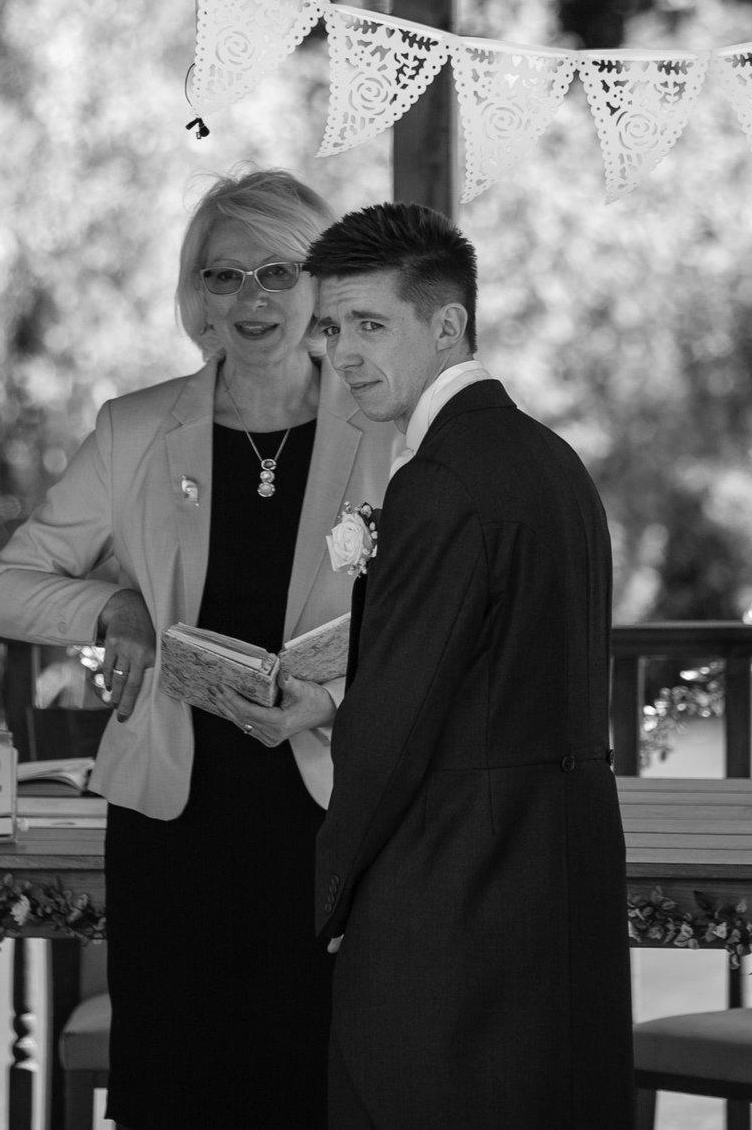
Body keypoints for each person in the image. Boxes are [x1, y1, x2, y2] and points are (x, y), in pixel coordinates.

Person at [0, 170, 392, 1130]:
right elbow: (8, 587)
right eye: (224, 275)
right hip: (175, 818)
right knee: (176, 1087)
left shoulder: (387, 428)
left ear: (320, 289)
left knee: (316, 1088)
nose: (251, 299)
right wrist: (110, 606)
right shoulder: (133, 429)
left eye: (279, 272)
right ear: (195, 294)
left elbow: (432, 616)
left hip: (330, 812)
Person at [305, 201, 632, 1129]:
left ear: (447, 323)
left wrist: (331, 897)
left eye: (372, 324)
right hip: (555, 894)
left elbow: (393, 729)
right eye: (332, 327)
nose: (344, 352)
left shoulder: (440, 480)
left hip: (453, 907)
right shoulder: (553, 460)